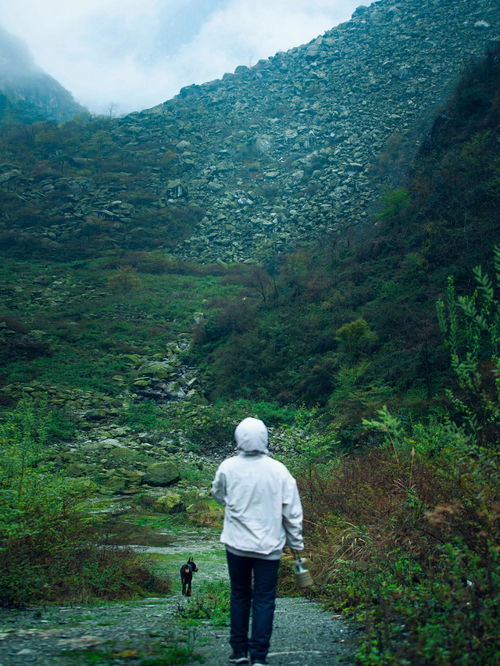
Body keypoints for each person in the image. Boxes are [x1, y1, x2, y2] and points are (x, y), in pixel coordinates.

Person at [212, 417, 304, 666]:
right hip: (270, 546)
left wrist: (231, 506)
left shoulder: (228, 467)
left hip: (236, 544)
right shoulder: (278, 470)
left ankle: (239, 652)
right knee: (264, 599)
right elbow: (291, 511)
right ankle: (259, 656)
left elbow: (217, 493)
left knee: (240, 595)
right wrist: (297, 544)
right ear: (264, 438)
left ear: (238, 437)